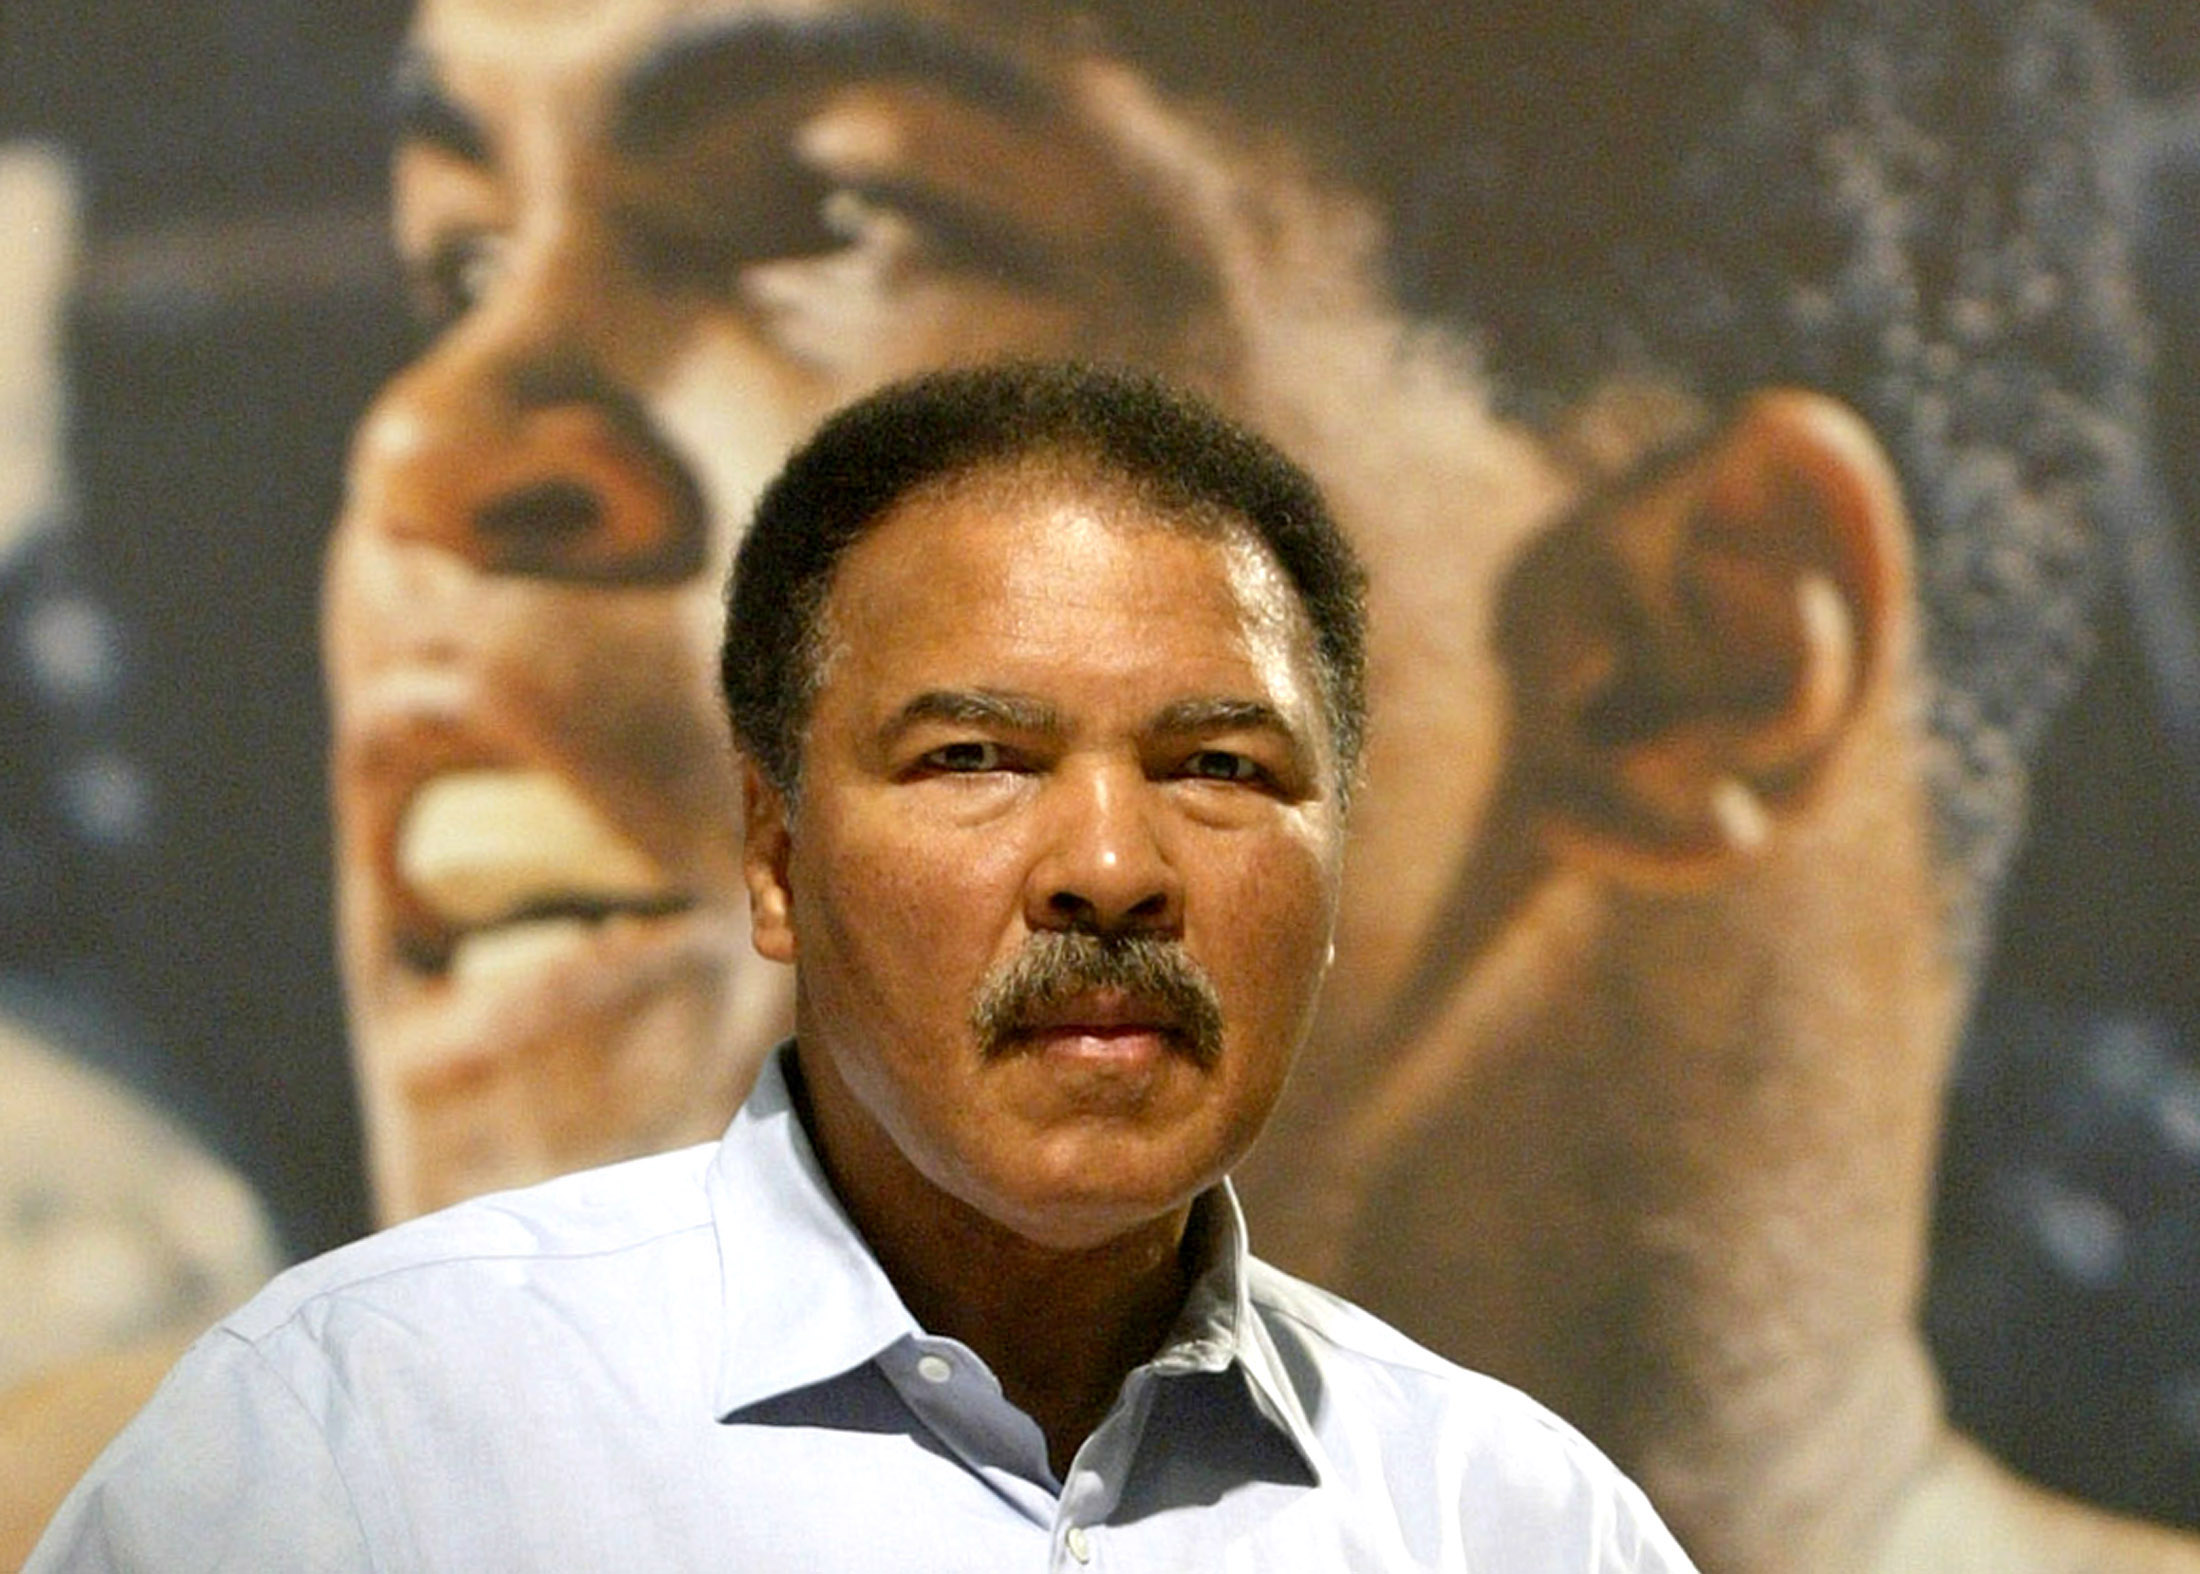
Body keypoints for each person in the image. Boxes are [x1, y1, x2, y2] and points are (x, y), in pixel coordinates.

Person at [23, 0, 2200, 1569]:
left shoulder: (1508, 1508)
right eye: (457, 262)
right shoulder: (250, 1472)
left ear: (1684, 654)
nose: (423, 450)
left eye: (837, 205)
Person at [28, 360, 1702, 1571]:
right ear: (773, 854)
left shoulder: (1511, 1522)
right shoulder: (363, 1447)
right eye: (975, 757)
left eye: (1219, 769)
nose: (1111, 870)